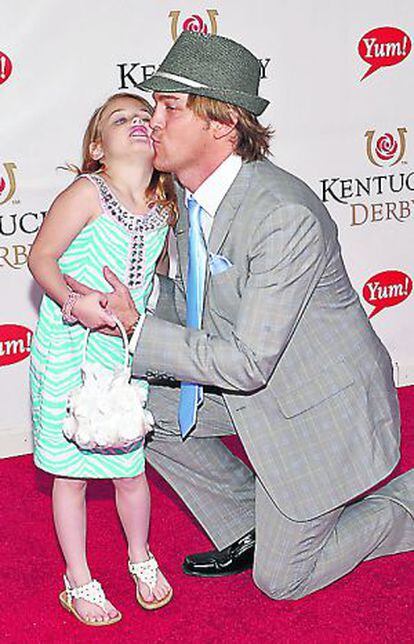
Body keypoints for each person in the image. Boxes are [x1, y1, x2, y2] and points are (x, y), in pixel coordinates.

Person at [66, 32, 414, 600]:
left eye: (169, 108)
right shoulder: (185, 192)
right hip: (250, 384)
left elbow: (249, 361)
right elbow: (200, 300)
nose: (151, 121)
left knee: (282, 582)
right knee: (130, 414)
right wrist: (130, 292)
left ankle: (406, 502)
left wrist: (134, 326)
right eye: (154, 105)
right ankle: (249, 525)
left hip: (317, 409)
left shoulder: (283, 217)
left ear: (222, 124)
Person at [28, 92, 174, 625]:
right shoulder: (87, 192)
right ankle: (78, 578)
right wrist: (73, 303)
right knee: (70, 474)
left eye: (144, 117)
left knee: (130, 466)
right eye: (121, 118)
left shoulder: (164, 202)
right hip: (67, 347)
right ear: (97, 146)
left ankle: (141, 558)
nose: (137, 123)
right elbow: (40, 256)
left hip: (119, 354)